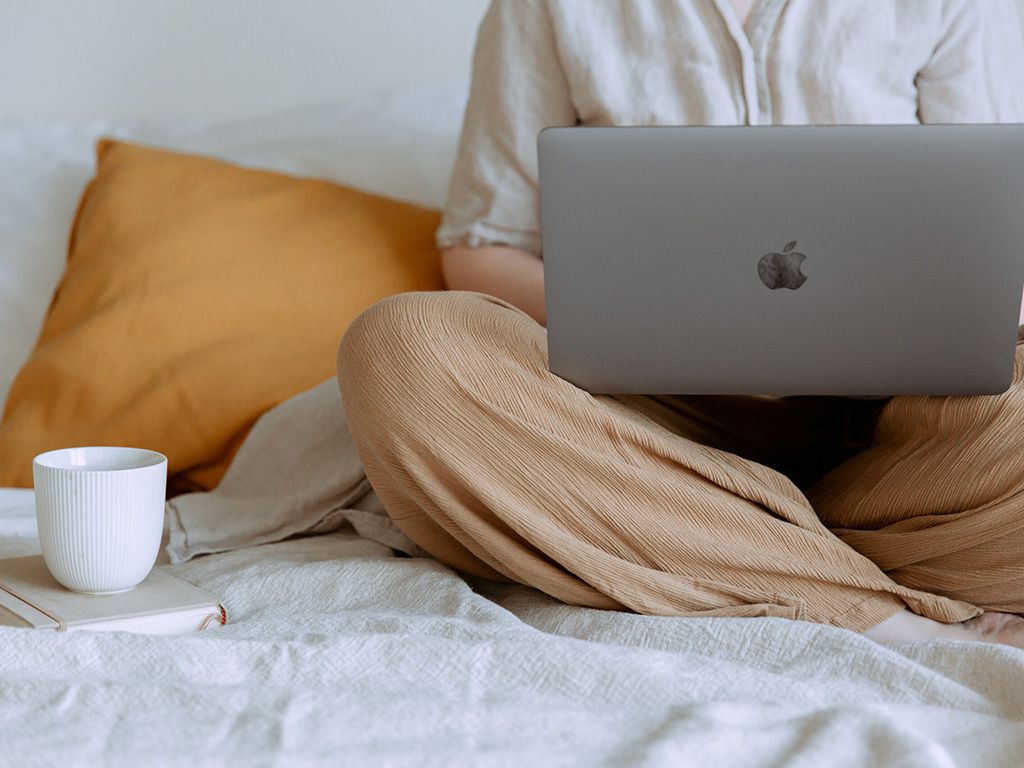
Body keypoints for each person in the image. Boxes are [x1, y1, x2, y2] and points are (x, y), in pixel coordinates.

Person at [337, 0, 1024, 646]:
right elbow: (483, 244)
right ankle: (858, 598)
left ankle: (696, 543)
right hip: (641, 423)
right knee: (403, 349)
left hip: (906, 439)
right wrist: (635, 317)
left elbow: (999, 236)